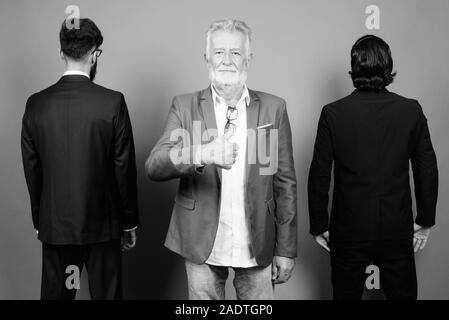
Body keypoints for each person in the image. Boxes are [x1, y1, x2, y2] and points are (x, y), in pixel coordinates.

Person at [146, 18, 297, 300]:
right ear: (207, 57)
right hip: (200, 242)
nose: (226, 60)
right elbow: (155, 165)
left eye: (236, 53)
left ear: (248, 58)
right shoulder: (185, 105)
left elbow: (285, 183)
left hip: (257, 243)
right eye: (218, 52)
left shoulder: (274, 109)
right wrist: (201, 153)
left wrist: (286, 249)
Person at [308, 35, 438, 300]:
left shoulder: (333, 113)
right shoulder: (410, 111)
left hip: (348, 228)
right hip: (396, 226)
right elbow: (427, 169)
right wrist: (425, 220)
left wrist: (319, 224)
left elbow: (320, 173)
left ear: (354, 68)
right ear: (388, 66)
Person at [21, 18, 139, 300]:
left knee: (58, 297)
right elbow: (123, 167)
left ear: (61, 53)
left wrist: (41, 219)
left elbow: (32, 168)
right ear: (95, 53)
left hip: (56, 226)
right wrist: (129, 223)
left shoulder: (36, 104)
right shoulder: (112, 102)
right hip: (104, 227)